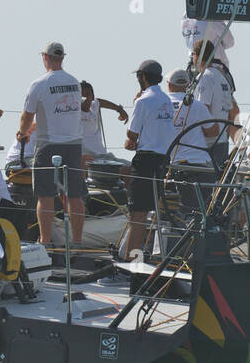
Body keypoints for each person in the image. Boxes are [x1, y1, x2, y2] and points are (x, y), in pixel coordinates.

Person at [16, 42, 85, 246]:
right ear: (62, 57)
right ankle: (78, 243)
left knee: (45, 195)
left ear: (44, 57)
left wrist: (22, 133)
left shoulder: (39, 84)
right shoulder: (75, 82)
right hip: (74, 143)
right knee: (75, 195)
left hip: (48, 144)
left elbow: (27, 115)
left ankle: (45, 241)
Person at [123, 59, 179, 259]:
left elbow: (132, 135)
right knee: (151, 210)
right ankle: (140, 255)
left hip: (145, 160)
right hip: (162, 160)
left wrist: (129, 142)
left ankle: (131, 259)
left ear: (143, 77)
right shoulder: (166, 100)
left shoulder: (142, 101)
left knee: (137, 213)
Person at [192, 41, 239, 168]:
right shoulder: (222, 77)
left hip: (207, 144)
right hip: (222, 141)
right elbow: (231, 112)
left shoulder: (204, 78)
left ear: (196, 55)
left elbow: (203, 110)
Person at [166, 69, 220, 168]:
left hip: (170, 163)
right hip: (199, 162)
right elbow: (213, 132)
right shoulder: (198, 105)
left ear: (169, 85)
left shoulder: (159, 105)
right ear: (188, 85)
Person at [79, 81, 128, 171]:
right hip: (85, 154)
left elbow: (100, 102)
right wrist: (89, 95)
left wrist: (119, 110)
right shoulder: (75, 106)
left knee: (128, 167)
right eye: (85, 94)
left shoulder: (93, 104)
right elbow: (85, 108)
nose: (87, 97)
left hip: (102, 155)